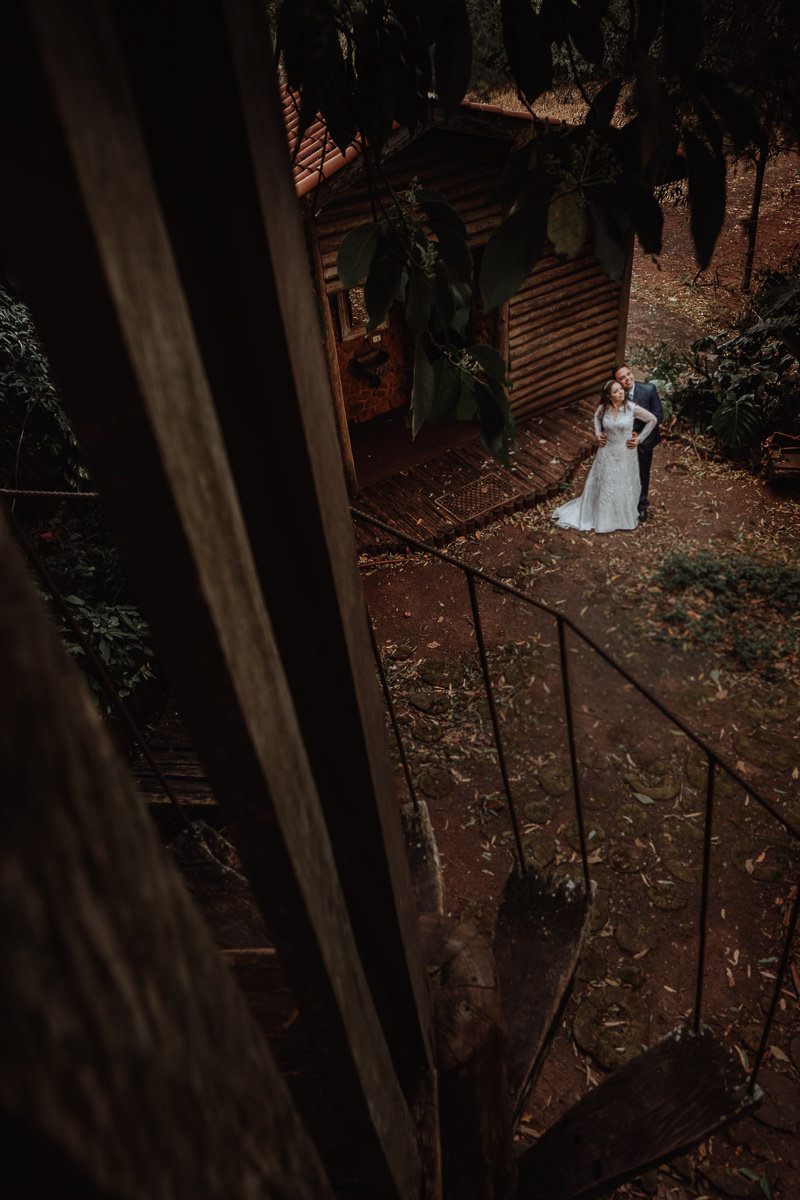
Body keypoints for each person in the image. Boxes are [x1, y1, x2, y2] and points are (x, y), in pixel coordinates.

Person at [552, 379, 658, 533]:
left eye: (621, 389)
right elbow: (596, 418)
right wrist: (598, 434)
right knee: (606, 483)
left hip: (625, 452)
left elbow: (652, 420)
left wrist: (639, 439)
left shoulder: (632, 408)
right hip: (607, 451)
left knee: (623, 483)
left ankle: (621, 516)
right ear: (609, 396)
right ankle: (602, 516)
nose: (621, 392)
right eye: (616, 391)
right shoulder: (604, 408)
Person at [614, 364, 662, 523]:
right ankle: (624, 502)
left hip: (644, 441)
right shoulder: (616, 396)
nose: (627, 379)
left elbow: (658, 416)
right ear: (617, 382)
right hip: (623, 441)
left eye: (628, 374)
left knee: (642, 472)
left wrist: (639, 436)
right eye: (622, 378)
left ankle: (641, 506)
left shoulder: (649, 390)